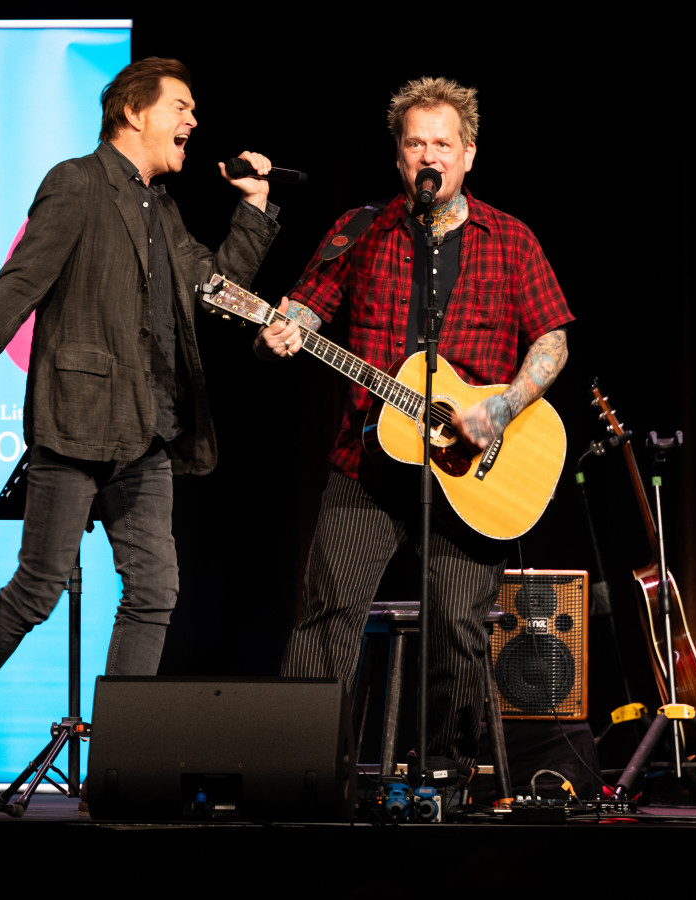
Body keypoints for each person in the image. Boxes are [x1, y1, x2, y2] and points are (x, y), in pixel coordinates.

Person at [0, 57, 280, 751]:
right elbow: (27, 271)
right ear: (132, 113)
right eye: (180, 106)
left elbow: (217, 288)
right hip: (78, 421)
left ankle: (119, 753)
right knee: (38, 586)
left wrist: (255, 205)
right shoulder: (76, 182)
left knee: (155, 589)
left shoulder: (165, 210)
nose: (193, 120)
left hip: (148, 433)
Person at [259, 76, 572, 778]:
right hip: (366, 462)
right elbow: (311, 304)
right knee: (328, 613)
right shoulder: (360, 228)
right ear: (399, 157)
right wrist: (287, 329)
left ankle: (446, 777)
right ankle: (297, 769)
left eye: (441, 143)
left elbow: (552, 341)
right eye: (414, 143)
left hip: (470, 473)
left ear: (467, 155)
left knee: (458, 628)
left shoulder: (510, 240)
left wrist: (497, 410)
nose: (427, 155)